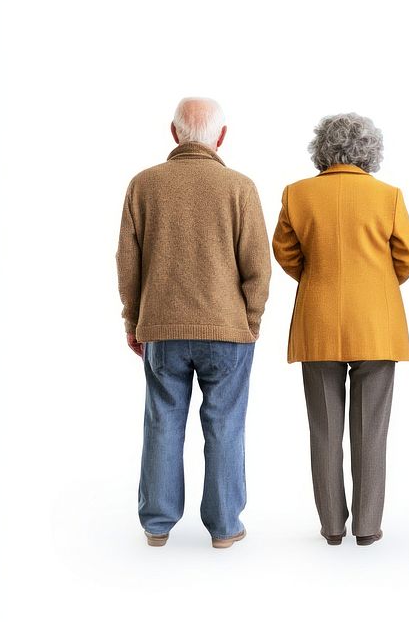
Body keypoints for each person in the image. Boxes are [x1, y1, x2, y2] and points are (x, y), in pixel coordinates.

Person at [116, 97, 271, 549]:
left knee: (162, 421)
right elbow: (258, 266)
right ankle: (224, 527)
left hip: (161, 328)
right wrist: (251, 321)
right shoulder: (239, 187)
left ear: (174, 132)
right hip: (227, 330)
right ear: (220, 137)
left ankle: (157, 525)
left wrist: (134, 321)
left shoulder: (143, 185)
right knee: (225, 424)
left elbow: (128, 264)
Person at [273, 113, 409, 547]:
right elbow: (407, 258)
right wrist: (375, 280)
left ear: (322, 149)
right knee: (371, 430)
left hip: (318, 321)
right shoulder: (387, 196)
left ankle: (332, 526)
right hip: (376, 323)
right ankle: (368, 527)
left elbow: (285, 253)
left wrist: (317, 275)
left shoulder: (297, 194)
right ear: (368, 151)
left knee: (324, 429)